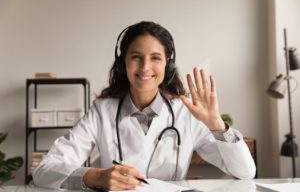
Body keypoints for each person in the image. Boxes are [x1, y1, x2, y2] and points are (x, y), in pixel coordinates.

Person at [33, 21, 256, 191]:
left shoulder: (185, 113)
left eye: (156, 58)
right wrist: (96, 177)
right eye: (136, 57)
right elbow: (44, 170)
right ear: (123, 64)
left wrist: (217, 125)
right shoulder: (102, 110)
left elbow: (246, 173)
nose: (145, 67)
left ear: (168, 66)